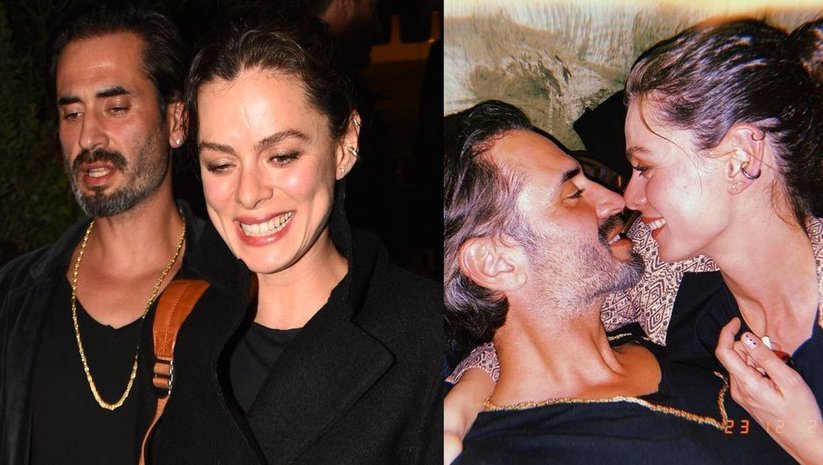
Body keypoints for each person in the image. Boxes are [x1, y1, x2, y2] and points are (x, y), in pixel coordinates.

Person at [446, 16, 823, 465]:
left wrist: (809, 441)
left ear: (741, 157)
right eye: (572, 192)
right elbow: (540, 323)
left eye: (645, 167)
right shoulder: (662, 273)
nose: (626, 197)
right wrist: (461, 400)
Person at [145, 13, 442, 464]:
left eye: (281, 156)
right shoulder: (180, 328)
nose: (248, 193)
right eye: (221, 164)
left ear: (344, 145)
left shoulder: (427, 336)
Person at [0, 5, 199, 465]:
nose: (89, 137)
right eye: (72, 113)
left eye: (115, 108)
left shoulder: (238, 288)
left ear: (176, 121)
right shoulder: (13, 301)